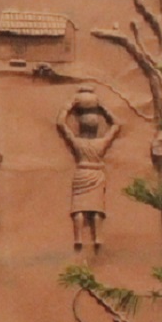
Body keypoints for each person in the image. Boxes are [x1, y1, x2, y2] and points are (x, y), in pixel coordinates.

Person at [57, 87, 120, 252]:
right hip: (96, 174)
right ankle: (97, 237)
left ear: (80, 126)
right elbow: (116, 124)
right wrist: (102, 106)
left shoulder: (78, 143)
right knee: (96, 209)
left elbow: (61, 123)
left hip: (82, 173)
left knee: (79, 208)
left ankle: (78, 238)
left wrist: (70, 104)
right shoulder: (101, 144)